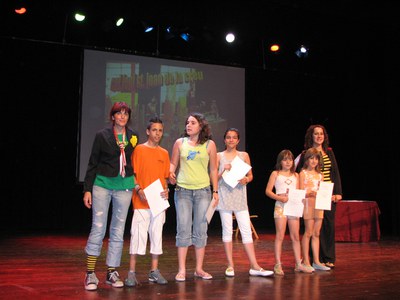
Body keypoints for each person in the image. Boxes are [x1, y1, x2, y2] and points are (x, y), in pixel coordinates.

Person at [82, 101, 139, 291]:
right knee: (98, 227)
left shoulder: (133, 136)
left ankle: (111, 272)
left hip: (124, 186)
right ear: (113, 116)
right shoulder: (102, 135)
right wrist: (87, 189)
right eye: (119, 113)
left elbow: (133, 161)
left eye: (126, 114)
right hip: (102, 185)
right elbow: (92, 162)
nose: (122, 116)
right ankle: (90, 273)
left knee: (118, 229)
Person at [169, 112, 219, 282]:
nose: (188, 125)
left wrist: (216, 191)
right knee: (183, 228)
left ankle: (199, 268)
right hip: (182, 191)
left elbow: (213, 169)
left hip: (203, 192)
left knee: (200, 229)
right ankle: (182, 270)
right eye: (187, 122)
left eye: (192, 123)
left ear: (201, 126)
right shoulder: (179, 143)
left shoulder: (210, 145)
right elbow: (173, 163)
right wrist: (170, 172)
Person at [217, 128, 273, 277]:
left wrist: (246, 179)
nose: (231, 140)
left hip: (240, 197)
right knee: (227, 231)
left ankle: (254, 266)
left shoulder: (244, 155)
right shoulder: (219, 156)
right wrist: (223, 170)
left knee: (246, 231)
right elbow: (214, 178)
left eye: (234, 137)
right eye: (228, 137)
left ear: (238, 140)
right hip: (224, 197)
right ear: (224, 140)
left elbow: (250, 175)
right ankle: (230, 265)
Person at [125, 117, 171, 287]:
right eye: (154, 130)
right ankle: (131, 272)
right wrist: (138, 189)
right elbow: (133, 174)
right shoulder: (139, 150)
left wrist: (167, 191)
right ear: (147, 131)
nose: (157, 133)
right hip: (141, 200)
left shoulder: (164, 153)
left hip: (158, 202)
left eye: (160, 130)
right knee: (137, 235)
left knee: (157, 236)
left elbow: (164, 178)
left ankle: (154, 271)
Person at [295, 124, 342, 268]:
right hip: (310, 195)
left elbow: (335, 172)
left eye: (321, 134)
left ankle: (327, 258)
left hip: (327, 192)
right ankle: (310, 259)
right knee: (310, 229)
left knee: (327, 225)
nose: (319, 136)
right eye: (316, 134)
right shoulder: (305, 154)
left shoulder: (329, 152)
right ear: (311, 136)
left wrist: (337, 192)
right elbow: (299, 173)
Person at [265, 150, 312, 275]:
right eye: (285, 159)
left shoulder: (296, 175)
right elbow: (268, 191)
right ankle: (278, 264)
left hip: (293, 206)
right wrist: (280, 198)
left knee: (295, 236)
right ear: (280, 161)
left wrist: (306, 195)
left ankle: (298, 263)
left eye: (290, 159)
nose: (288, 162)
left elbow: (301, 191)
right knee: (280, 235)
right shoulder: (276, 174)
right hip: (280, 205)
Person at [298, 147, 330, 272]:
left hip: (319, 204)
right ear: (306, 160)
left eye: (316, 158)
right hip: (308, 203)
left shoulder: (320, 175)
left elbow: (323, 190)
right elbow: (300, 191)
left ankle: (316, 261)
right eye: (311, 158)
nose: (314, 161)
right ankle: (306, 260)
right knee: (308, 232)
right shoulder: (303, 173)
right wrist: (308, 193)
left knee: (317, 233)